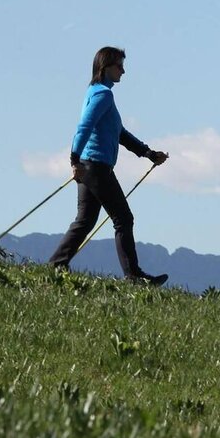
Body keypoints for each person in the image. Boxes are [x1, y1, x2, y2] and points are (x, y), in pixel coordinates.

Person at [48, 46, 170, 285]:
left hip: (89, 165)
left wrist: (147, 153)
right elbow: (84, 126)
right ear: (105, 67)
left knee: (85, 221)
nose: (123, 71)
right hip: (95, 166)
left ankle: (56, 265)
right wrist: (73, 160)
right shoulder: (104, 94)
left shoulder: (95, 92)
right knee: (123, 218)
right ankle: (133, 276)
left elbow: (119, 133)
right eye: (119, 66)